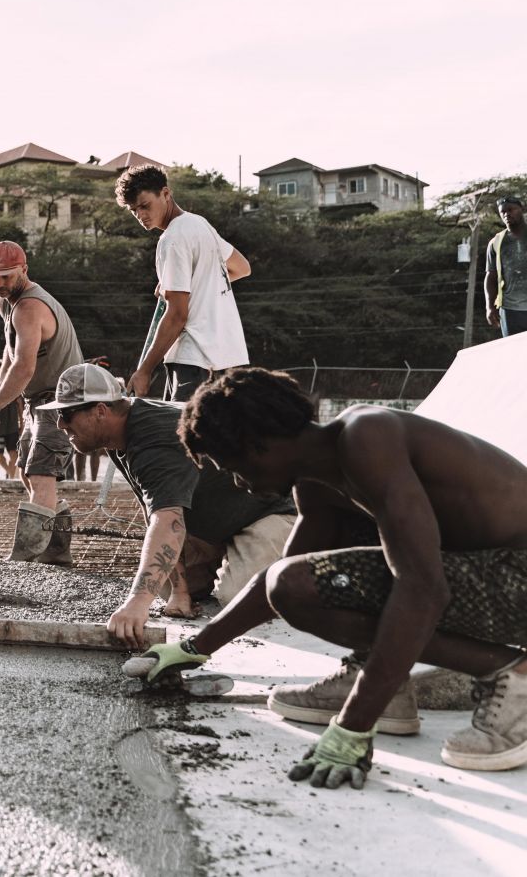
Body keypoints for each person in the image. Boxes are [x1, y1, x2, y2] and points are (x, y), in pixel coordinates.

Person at [131, 367, 527, 787]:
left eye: (230, 465)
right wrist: (195, 648)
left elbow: (424, 589)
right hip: (500, 580)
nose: (237, 482)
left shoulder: (368, 437)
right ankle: (383, 686)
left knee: (349, 582)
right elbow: (278, 585)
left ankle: (515, 676)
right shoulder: (319, 483)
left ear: (259, 444)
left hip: (518, 576)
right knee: (300, 585)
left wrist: (354, 726)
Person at [40, 361, 296, 643]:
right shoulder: (118, 434)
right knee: (162, 587)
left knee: (238, 596)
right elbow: (154, 513)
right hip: (223, 521)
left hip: (272, 512)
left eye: (66, 414)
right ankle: (231, 559)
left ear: (100, 411)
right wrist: (180, 591)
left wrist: (137, 603)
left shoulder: (154, 438)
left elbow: (168, 519)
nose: (61, 424)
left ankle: (304, 561)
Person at [0, 241, 83, 564]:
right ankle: (57, 550)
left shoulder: (29, 307)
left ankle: (25, 559)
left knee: (41, 474)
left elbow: (24, 366)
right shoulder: (7, 304)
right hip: (37, 400)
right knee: (25, 470)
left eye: (6, 276)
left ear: (24, 270)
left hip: (63, 399)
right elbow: (9, 354)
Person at [115, 164, 251, 401]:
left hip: (195, 361)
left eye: (145, 205)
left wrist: (145, 370)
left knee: (182, 437)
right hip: (230, 361)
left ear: (165, 194)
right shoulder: (199, 224)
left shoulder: (172, 239)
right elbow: (241, 267)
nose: (141, 216)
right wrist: (191, 284)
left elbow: (177, 315)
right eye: (134, 210)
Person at [485, 194, 527, 337]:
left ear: (522, 209)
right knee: (515, 355)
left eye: (511, 210)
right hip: (511, 311)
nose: (507, 214)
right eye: (503, 212)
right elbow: (491, 276)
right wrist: (490, 307)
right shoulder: (496, 242)